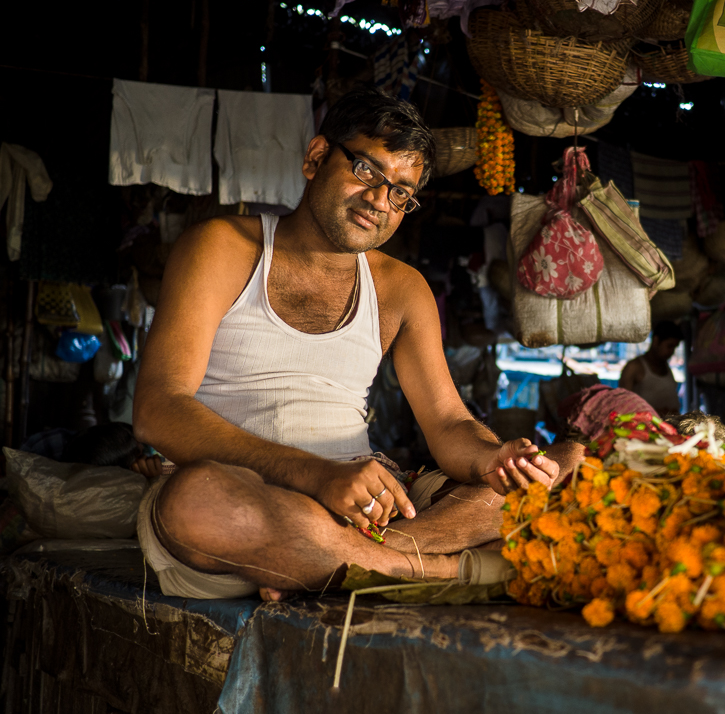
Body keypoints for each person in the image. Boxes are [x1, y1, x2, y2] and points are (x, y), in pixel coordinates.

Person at [132, 87, 583, 601]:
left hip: (365, 512)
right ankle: (434, 572)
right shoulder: (221, 248)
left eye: (400, 193)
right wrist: (315, 476)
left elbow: (448, 422)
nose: (378, 201)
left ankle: (342, 562)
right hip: (248, 499)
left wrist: (493, 460)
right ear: (316, 157)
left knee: (564, 465)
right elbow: (157, 409)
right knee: (195, 502)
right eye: (367, 171)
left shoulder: (403, 288)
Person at [618, 321, 683, 418]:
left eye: (674, 347)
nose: (672, 352)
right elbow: (623, 407)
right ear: (656, 341)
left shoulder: (666, 368)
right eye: (669, 346)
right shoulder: (633, 367)